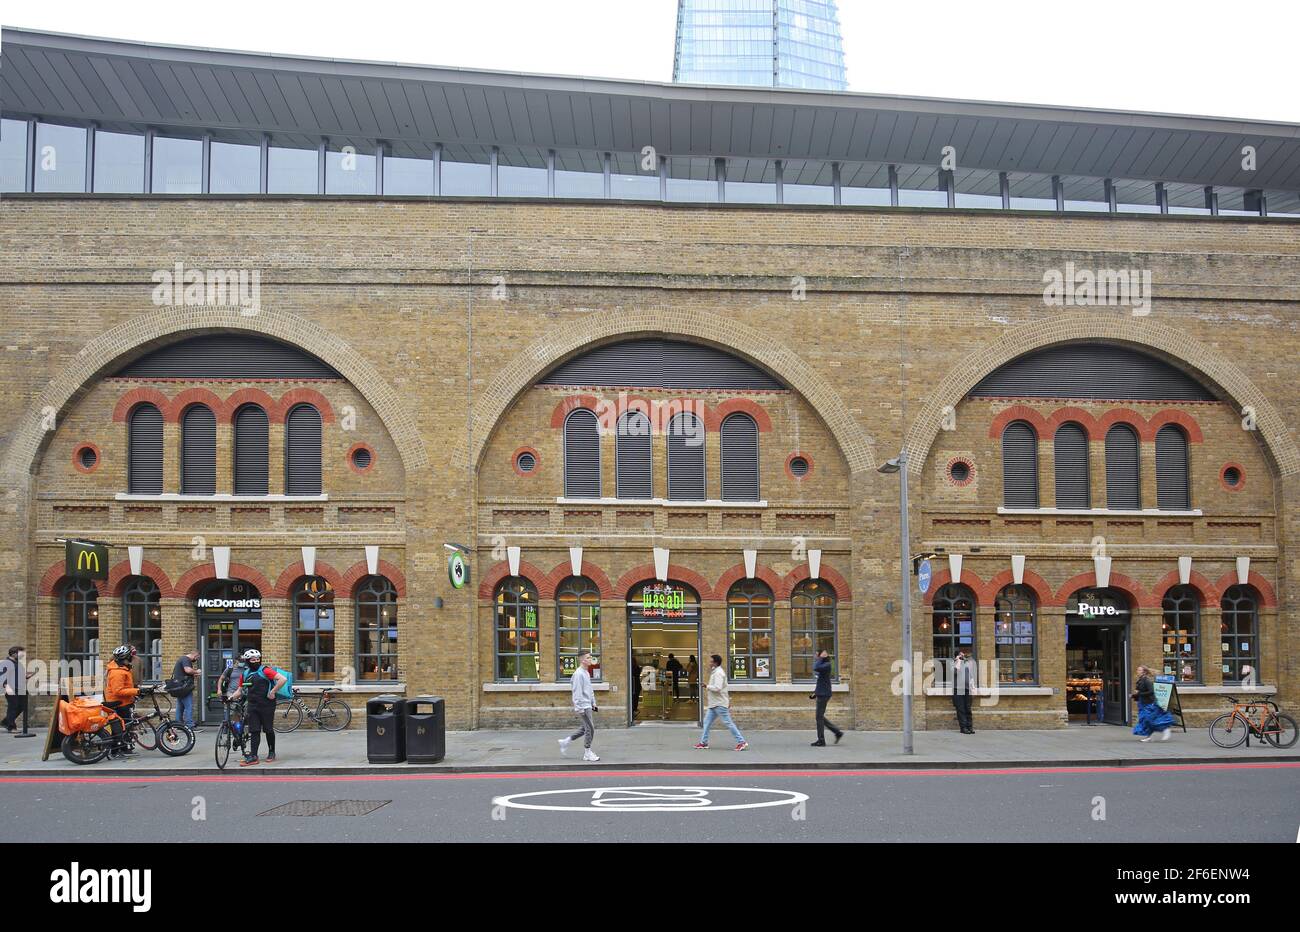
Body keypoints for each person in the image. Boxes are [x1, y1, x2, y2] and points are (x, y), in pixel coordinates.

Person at [228, 649, 286, 765]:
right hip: (252, 705)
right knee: (254, 731)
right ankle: (254, 756)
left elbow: (282, 679)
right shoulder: (245, 674)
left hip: (267, 705)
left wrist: (273, 691)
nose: (256, 661)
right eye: (253, 660)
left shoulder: (265, 670)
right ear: (247, 661)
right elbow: (239, 691)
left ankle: (271, 751)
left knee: (268, 729)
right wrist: (230, 698)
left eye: (257, 659)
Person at [695, 654, 747, 751]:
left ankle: (741, 742)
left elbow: (718, 688)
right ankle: (704, 743)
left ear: (715, 662)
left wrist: (707, 686)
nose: (709, 663)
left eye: (711, 661)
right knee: (706, 722)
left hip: (719, 704)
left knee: (728, 723)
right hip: (715, 704)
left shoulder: (719, 673)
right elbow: (724, 688)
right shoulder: (716, 672)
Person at [559, 650, 599, 761]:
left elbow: (589, 689)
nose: (590, 659)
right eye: (588, 658)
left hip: (588, 704)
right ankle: (587, 752)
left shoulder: (586, 672)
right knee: (590, 729)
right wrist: (579, 707)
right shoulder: (578, 674)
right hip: (583, 706)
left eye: (590, 657)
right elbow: (577, 692)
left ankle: (566, 741)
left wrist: (593, 702)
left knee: (585, 728)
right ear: (582, 660)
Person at [103, 645, 140, 756]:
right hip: (119, 703)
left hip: (124, 702)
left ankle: (119, 750)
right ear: (125, 657)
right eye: (130, 656)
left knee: (122, 726)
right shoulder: (117, 672)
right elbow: (118, 691)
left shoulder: (123, 668)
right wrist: (136, 691)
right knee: (120, 728)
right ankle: (119, 750)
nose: (132, 658)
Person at [1132, 665, 1175, 742]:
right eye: (1137, 670)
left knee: (1149, 720)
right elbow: (1139, 692)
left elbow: (1151, 691)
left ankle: (1165, 730)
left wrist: (1139, 693)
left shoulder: (1147, 680)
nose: (1137, 671)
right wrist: (1133, 695)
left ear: (1144, 672)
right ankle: (1149, 736)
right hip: (1143, 703)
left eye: (1139, 670)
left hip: (1149, 704)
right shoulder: (1140, 680)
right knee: (1146, 720)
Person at [810, 649, 843, 746]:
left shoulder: (826, 665)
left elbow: (815, 667)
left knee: (818, 717)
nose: (816, 657)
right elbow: (821, 681)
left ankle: (821, 740)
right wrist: (815, 693)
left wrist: (821, 657)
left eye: (817, 655)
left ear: (822, 656)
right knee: (819, 717)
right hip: (821, 693)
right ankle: (837, 732)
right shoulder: (823, 665)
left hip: (824, 694)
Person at [169, 649, 202, 731]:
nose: (197, 659)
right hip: (184, 688)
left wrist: (193, 675)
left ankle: (178, 724)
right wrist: (196, 671)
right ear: (195, 655)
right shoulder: (186, 659)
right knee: (188, 706)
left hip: (179, 687)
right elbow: (187, 670)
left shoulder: (183, 659)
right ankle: (189, 725)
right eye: (197, 657)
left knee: (180, 706)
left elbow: (184, 674)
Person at [2, 646, 32, 733]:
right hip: (11, 688)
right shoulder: (7, 663)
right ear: (14, 653)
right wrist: (7, 687)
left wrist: (26, 676)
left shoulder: (17, 663)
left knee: (22, 706)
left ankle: (5, 722)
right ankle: (11, 727)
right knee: (13, 707)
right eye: (21, 653)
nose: (23, 655)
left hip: (20, 688)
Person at [952, 648, 975, 734]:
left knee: (968, 709)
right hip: (958, 690)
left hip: (967, 690)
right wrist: (958, 661)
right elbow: (955, 672)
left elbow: (971, 677)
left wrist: (973, 689)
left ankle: (970, 727)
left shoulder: (967, 664)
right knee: (961, 709)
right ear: (956, 656)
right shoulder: (953, 664)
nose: (963, 657)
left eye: (963, 655)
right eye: (960, 655)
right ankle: (963, 728)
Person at [630, 655, 642, 722]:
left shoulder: (631, 667)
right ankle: (635, 709)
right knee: (636, 697)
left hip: (633, 684)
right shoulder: (637, 667)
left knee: (633, 697)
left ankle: (633, 709)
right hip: (637, 684)